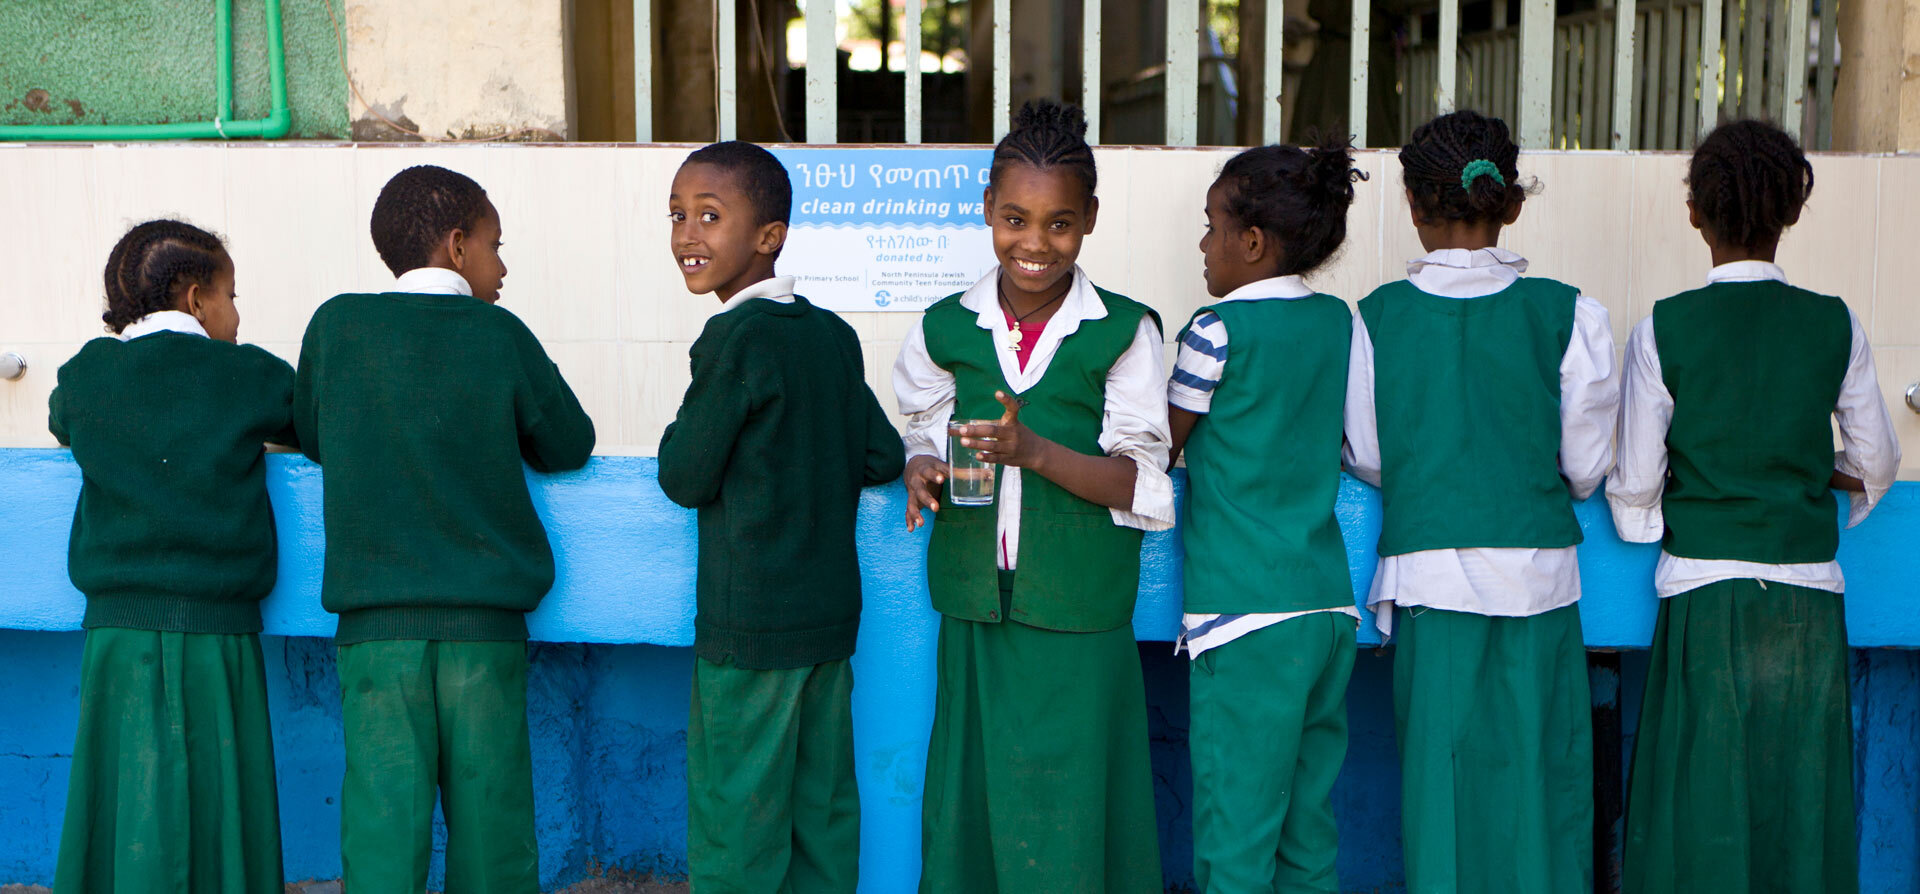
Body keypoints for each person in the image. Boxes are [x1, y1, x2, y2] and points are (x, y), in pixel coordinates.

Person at [1609, 119, 1901, 894]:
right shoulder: (1834, 322)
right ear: (1792, 213)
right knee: (1798, 804)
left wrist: (1659, 514)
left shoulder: (1663, 328)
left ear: (1695, 213)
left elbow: (1634, 485)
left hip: (1703, 595)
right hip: (1806, 599)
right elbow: (1876, 462)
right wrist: (1823, 474)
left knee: (1699, 807)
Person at [894, 98, 1173, 894]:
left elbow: (1140, 482)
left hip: (1079, 607)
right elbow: (921, 426)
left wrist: (1036, 452)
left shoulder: (1124, 330)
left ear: (1090, 221)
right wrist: (922, 465)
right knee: (973, 803)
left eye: (1060, 224)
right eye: (1015, 219)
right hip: (977, 605)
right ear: (988, 208)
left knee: (1072, 806)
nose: (1035, 244)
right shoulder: (946, 327)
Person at [291, 165, 595, 893]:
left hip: (375, 632)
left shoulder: (336, 326)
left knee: (382, 826)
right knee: (493, 831)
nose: (503, 267)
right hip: (483, 632)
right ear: (458, 246)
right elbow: (569, 443)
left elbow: (313, 433)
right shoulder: (499, 334)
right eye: (495, 245)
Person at [1344, 110, 1618, 893]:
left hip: (1429, 580)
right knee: (1541, 778)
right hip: (1539, 579)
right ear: (1512, 203)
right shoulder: (1570, 313)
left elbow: (1369, 455)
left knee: (1442, 784)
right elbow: (1586, 466)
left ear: (1413, 204)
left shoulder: (1375, 318)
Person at [658, 140, 905, 894]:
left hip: (751, 629)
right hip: (827, 625)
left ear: (770, 236)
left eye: (709, 216)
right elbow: (883, 456)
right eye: (677, 216)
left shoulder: (736, 336)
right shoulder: (830, 335)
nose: (688, 234)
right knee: (820, 812)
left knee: (737, 819)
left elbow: (684, 475)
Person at [49, 219, 292, 894]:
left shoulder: (88, 374)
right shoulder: (247, 375)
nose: (236, 315)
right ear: (195, 299)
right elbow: (307, 421)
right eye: (231, 297)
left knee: (121, 802)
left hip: (115, 636)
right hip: (219, 632)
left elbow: (62, 419)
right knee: (225, 812)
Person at [1167, 140, 1367, 894]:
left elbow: (1157, 450)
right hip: (1327, 610)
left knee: (1236, 838)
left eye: (1211, 226)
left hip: (1244, 615)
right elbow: (1362, 449)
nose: (1203, 244)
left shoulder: (1215, 330)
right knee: (1307, 832)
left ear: (1251, 242)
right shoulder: (1338, 323)